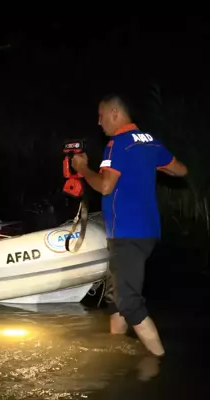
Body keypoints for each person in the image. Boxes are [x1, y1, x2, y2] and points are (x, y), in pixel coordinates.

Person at [71, 93, 188, 357]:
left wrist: (83, 169)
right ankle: (116, 352)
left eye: (101, 117)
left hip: (127, 234)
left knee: (129, 302)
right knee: (116, 298)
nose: (99, 123)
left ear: (115, 113)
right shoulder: (149, 141)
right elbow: (180, 170)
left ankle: (160, 362)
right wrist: (149, 166)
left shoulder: (117, 145)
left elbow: (104, 186)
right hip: (147, 232)